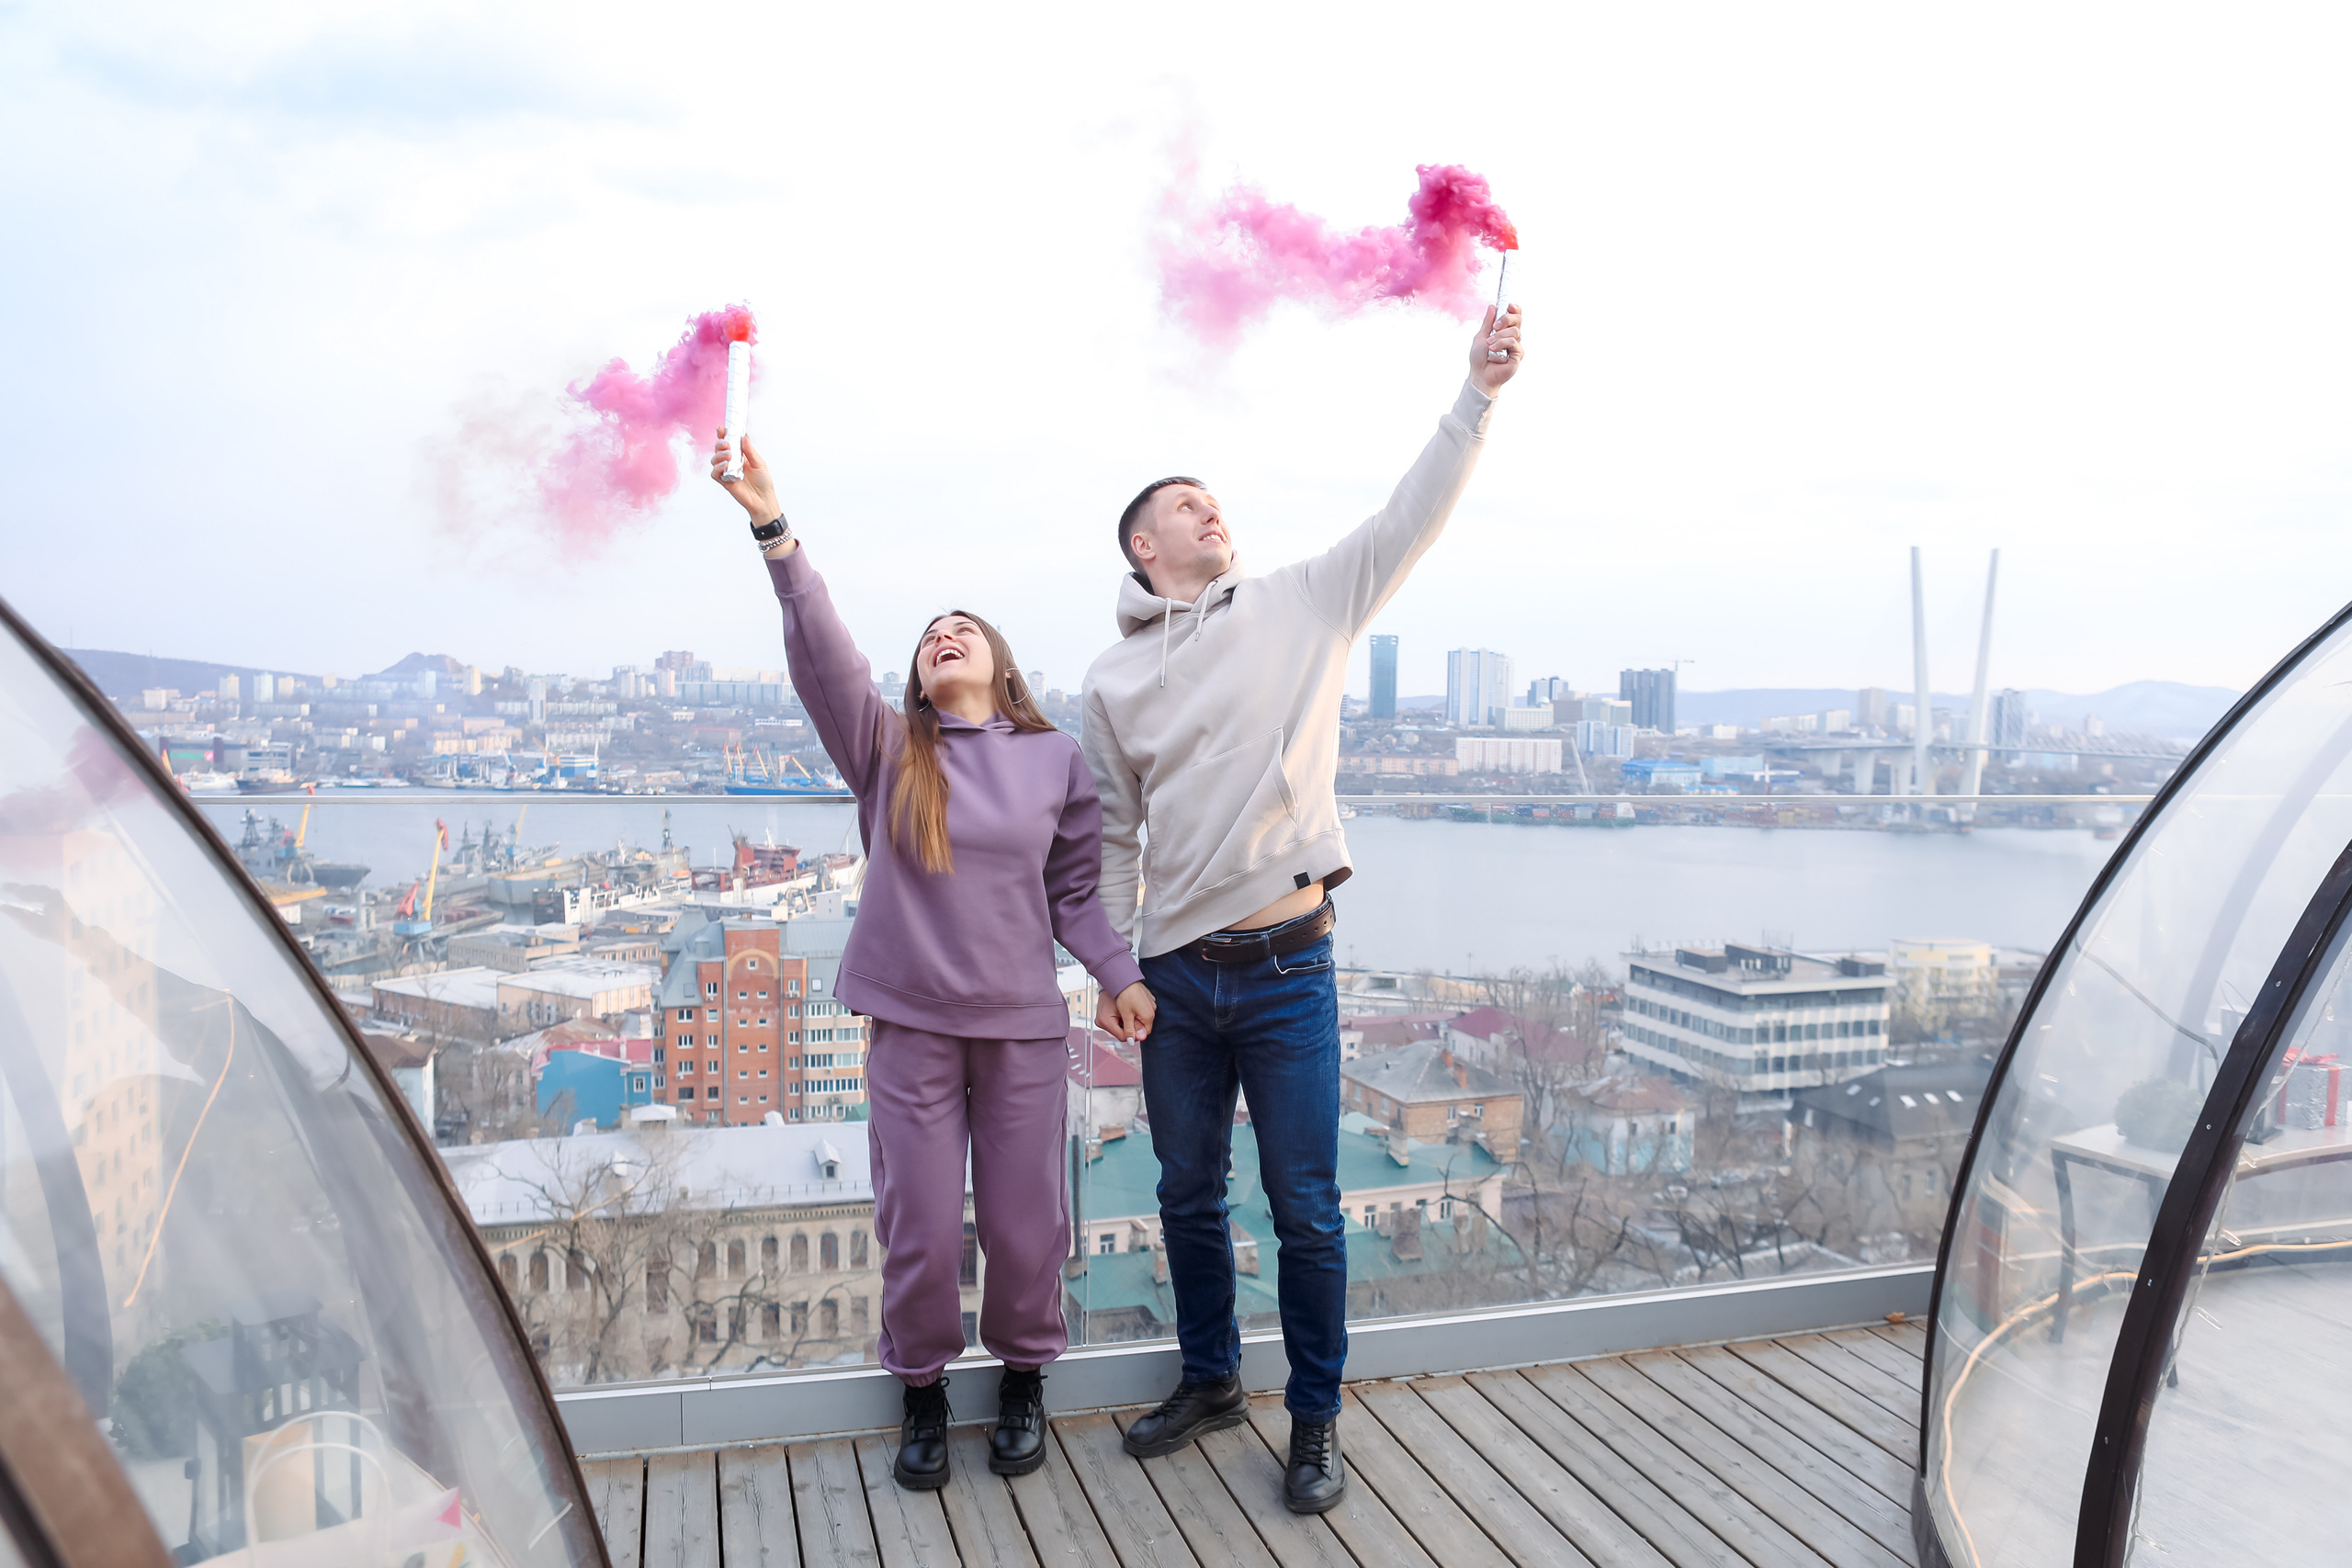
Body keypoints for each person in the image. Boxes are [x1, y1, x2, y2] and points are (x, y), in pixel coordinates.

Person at [1080, 304, 1525, 1512]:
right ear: (1142, 549)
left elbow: (1407, 517)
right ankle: (1212, 1377)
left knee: (1307, 1205)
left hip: (1287, 967)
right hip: (1173, 976)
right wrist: (1114, 966)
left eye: (1214, 496)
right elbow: (1117, 834)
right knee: (1183, 1193)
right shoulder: (1113, 678)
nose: (1208, 508)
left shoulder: (1304, 602)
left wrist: (1476, 394)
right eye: (1184, 503)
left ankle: (1315, 1418)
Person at [710, 433, 1157, 1491]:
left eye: (963, 629)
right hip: (909, 1022)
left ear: (1001, 666)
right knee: (914, 1221)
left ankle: (1022, 1380)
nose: (943, 634)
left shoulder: (1055, 759)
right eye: (928, 635)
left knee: (1023, 1223)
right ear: (917, 677)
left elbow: (1076, 895)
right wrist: (776, 531)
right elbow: (821, 654)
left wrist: (1120, 974)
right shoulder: (887, 753)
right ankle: (919, 1390)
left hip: (1020, 1029)